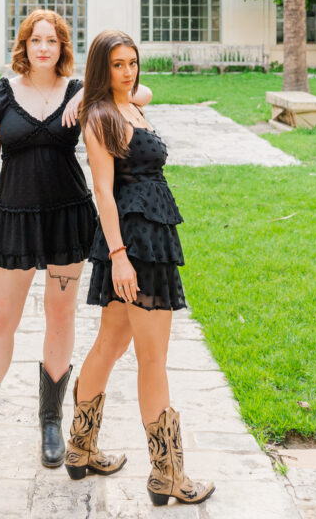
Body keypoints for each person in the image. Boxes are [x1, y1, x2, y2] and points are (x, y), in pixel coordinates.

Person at [0, 9, 151, 471]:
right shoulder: (3, 94)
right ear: (23, 46)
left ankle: (50, 425)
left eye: (53, 41)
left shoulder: (79, 92)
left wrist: (84, 101)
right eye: (35, 40)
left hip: (67, 218)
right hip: (15, 220)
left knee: (59, 316)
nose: (43, 47)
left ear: (64, 48)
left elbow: (140, 91)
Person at [64, 30, 215, 508]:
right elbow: (103, 193)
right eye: (117, 65)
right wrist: (119, 256)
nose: (128, 72)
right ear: (99, 70)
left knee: (109, 345)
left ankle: (80, 448)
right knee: (152, 358)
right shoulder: (103, 118)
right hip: (136, 243)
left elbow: (141, 91)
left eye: (132, 62)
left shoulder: (129, 101)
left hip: (148, 233)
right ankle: (168, 475)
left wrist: (93, 94)